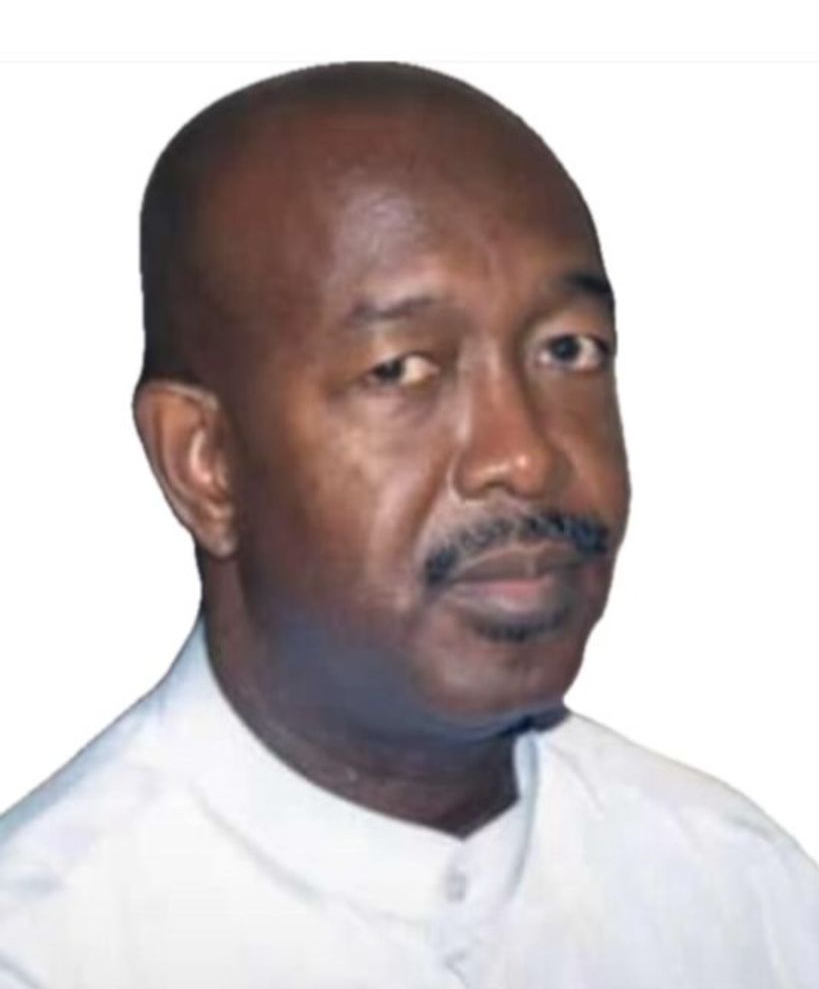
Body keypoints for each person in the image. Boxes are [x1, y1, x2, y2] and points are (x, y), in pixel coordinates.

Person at [0, 62, 816, 988]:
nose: (524, 455)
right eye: (399, 370)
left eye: (567, 349)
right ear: (206, 462)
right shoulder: (48, 952)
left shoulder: (741, 898)